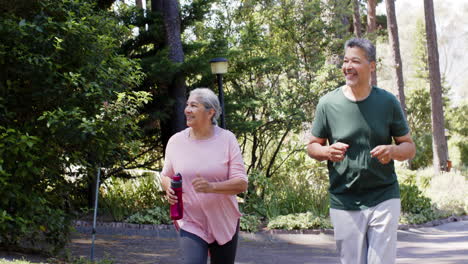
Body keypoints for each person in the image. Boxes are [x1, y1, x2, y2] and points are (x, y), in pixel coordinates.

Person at [306, 38, 416, 264]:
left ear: (371, 66)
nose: (348, 66)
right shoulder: (328, 103)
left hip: (384, 195)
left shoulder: (387, 102)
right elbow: (312, 146)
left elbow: (409, 146)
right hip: (344, 198)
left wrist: (392, 151)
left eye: (355, 61)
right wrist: (327, 152)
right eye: (345, 61)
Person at [160, 88, 248, 264]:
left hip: (224, 220)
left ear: (210, 112)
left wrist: (212, 187)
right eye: (187, 105)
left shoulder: (227, 139)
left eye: (194, 105)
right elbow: (165, 176)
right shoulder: (176, 141)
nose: (187, 110)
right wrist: (168, 187)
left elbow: (241, 184)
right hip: (191, 221)